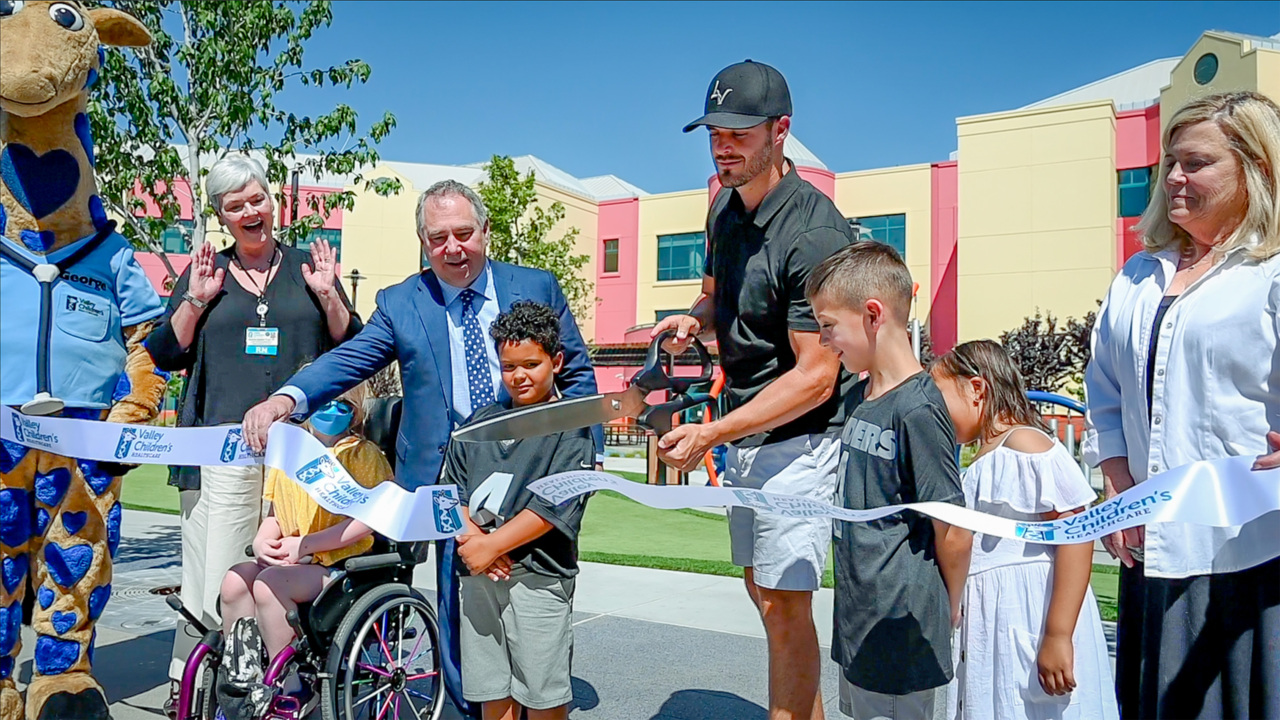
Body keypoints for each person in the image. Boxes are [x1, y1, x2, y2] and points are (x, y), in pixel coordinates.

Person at [239, 179, 602, 718]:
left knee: (531, 598)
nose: (453, 248)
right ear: (422, 242)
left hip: (530, 470)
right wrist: (287, 399)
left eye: (464, 233)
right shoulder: (402, 302)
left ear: (486, 231)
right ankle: (468, 706)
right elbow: (351, 359)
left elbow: (578, 379)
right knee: (460, 603)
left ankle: (537, 697)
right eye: (438, 238)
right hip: (441, 476)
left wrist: (583, 461)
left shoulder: (537, 286)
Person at [654, 60, 853, 720]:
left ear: (781, 131)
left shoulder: (815, 231)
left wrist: (711, 433)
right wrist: (693, 319)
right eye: (715, 131)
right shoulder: (722, 208)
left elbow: (817, 374)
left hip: (804, 436)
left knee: (783, 599)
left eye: (740, 131)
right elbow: (717, 298)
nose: (723, 144)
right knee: (760, 589)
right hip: (745, 427)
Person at [1083, 90, 1280, 719]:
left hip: (1252, 554)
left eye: (1195, 163)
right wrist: (1117, 487)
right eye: (1170, 161)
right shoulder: (1137, 277)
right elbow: (1105, 393)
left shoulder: (1271, 274)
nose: (1172, 177)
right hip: (1154, 550)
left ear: (1256, 169)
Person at [143, 153, 361, 714]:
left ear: (273, 200)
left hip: (299, 446)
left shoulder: (307, 269)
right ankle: (209, 685)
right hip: (223, 451)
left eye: (256, 198)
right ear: (221, 214)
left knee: (290, 562)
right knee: (220, 573)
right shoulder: (206, 271)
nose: (249, 211)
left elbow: (351, 346)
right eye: (234, 204)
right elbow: (166, 353)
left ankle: (286, 680)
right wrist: (196, 299)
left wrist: (329, 293)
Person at [805, 241, 973, 720]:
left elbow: (953, 527)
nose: (824, 341)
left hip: (903, 626)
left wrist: (951, 607)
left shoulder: (919, 409)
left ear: (873, 315)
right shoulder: (860, 398)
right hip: (859, 621)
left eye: (828, 326)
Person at [931, 340, 1117, 720]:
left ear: (977, 389)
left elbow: (1076, 534)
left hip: (1030, 616)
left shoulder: (1026, 445)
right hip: (996, 619)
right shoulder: (985, 457)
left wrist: (1058, 633)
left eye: (939, 397)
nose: (935, 411)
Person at [442, 301, 593, 720]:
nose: (519, 376)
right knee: (492, 688)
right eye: (509, 366)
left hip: (538, 578)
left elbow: (554, 505)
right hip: (477, 576)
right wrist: (474, 540)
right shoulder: (479, 424)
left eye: (531, 363)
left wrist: (492, 545)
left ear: (556, 361)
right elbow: (448, 493)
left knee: (542, 694)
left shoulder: (571, 426)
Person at [216, 380, 390, 720]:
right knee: (236, 580)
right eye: (324, 402)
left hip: (343, 566)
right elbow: (274, 514)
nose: (332, 411)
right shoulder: (288, 456)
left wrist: (306, 544)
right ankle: (242, 677)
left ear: (356, 413)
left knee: (269, 584)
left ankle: (291, 684)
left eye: (344, 406)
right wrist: (262, 541)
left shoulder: (362, 454)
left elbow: (370, 519)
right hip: (295, 559)